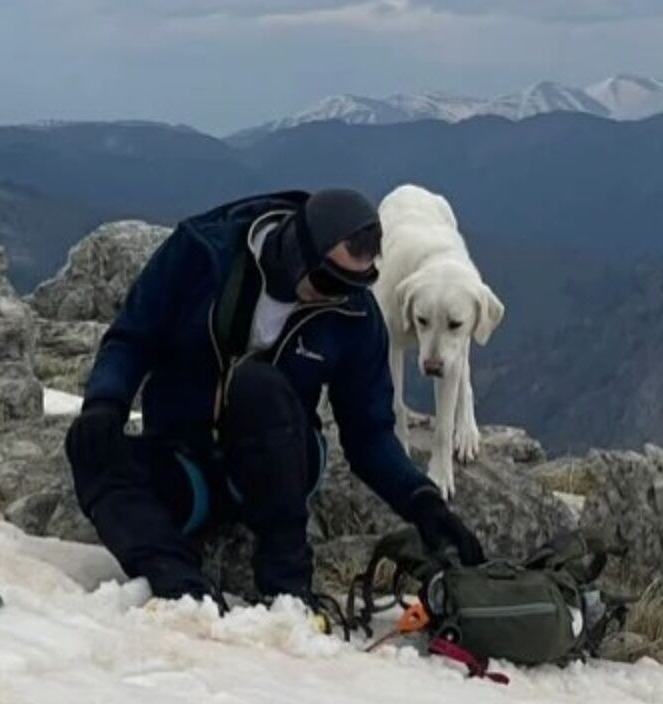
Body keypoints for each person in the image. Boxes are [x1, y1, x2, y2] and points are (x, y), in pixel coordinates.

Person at [64, 188, 486, 617]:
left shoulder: (354, 314)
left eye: (354, 285)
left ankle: (286, 586)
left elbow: (368, 434)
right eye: (329, 281)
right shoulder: (204, 253)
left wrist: (422, 501)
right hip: (186, 463)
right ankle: (180, 585)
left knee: (257, 386)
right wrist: (106, 403)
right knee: (90, 449)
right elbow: (133, 336)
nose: (336, 295)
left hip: (283, 460)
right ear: (297, 249)